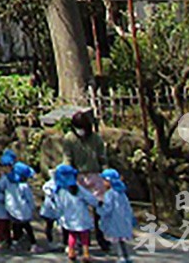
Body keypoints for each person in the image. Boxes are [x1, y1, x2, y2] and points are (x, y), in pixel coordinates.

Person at [62, 109, 109, 252]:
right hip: (77, 176)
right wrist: (68, 177)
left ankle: (102, 238)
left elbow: (103, 158)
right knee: (74, 208)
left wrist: (106, 176)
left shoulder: (95, 139)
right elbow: (67, 159)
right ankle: (70, 241)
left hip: (94, 175)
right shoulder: (69, 138)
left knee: (99, 209)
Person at [53, 163, 99, 263]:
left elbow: (58, 205)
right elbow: (90, 198)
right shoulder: (78, 189)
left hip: (69, 217)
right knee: (84, 235)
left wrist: (59, 216)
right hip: (81, 216)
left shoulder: (59, 191)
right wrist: (96, 203)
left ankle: (71, 252)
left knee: (72, 235)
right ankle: (86, 253)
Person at [98, 168, 136, 262]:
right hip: (123, 220)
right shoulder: (122, 193)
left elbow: (107, 208)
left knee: (117, 240)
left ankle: (121, 257)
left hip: (114, 221)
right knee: (122, 239)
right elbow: (128, 207)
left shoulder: (109, 194)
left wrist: (99, 209)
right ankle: (126, 256)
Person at [4, 161, 38, 249]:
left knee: (16, 225)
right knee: (27, 226)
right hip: (23, 209)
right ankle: (33, 243)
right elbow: (29, 198)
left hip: (12, 208)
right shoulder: (24, 186)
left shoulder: (9, 182)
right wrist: (32, 208)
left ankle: (15, 242)